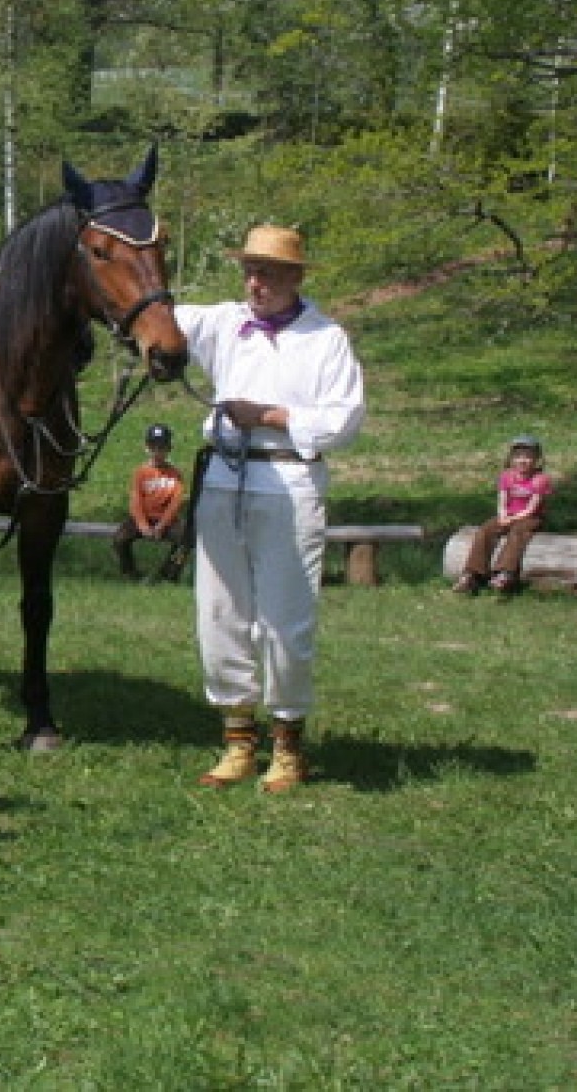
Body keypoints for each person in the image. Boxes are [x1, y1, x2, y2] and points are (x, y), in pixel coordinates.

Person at [174, 225, 366, 793]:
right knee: (219, 612)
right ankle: (237, 740)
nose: (256, 282)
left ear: (296, 277)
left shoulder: (325, 337)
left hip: (289, 478)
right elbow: (150, 312)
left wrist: (270, 415)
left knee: (285, 618)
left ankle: (288, 744)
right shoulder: (224, 322)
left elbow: (344, 418)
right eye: (251, 271)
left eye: (269, 272)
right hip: (224, 479)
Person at [453, 436, 553, 596]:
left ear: (536, 459)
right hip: (509, 514)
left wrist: (512, 519)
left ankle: (505, 572)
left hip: (531, 517)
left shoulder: (540, 479)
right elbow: (502, 499)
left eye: (528, 456)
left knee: (517, 533)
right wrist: (502, 515)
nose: (523, 460)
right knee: (485, 530)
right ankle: (472, 573)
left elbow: (532, 508)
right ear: (511, 458)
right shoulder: (507, 476)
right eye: (518, 456)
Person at [113, 423, 187, 581]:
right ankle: (130, 572)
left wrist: (162, 525)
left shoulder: (175, 474)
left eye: (162, 448)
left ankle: (169, 572)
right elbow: (135, 500)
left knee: (185, 540)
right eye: (153, 447)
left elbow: (175, 502)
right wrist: (142, 525)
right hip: (145, 518)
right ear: (147, 448)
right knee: (120, 538)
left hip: (166, 521)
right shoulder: (141, 472)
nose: (157, 452)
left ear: (169, 449)